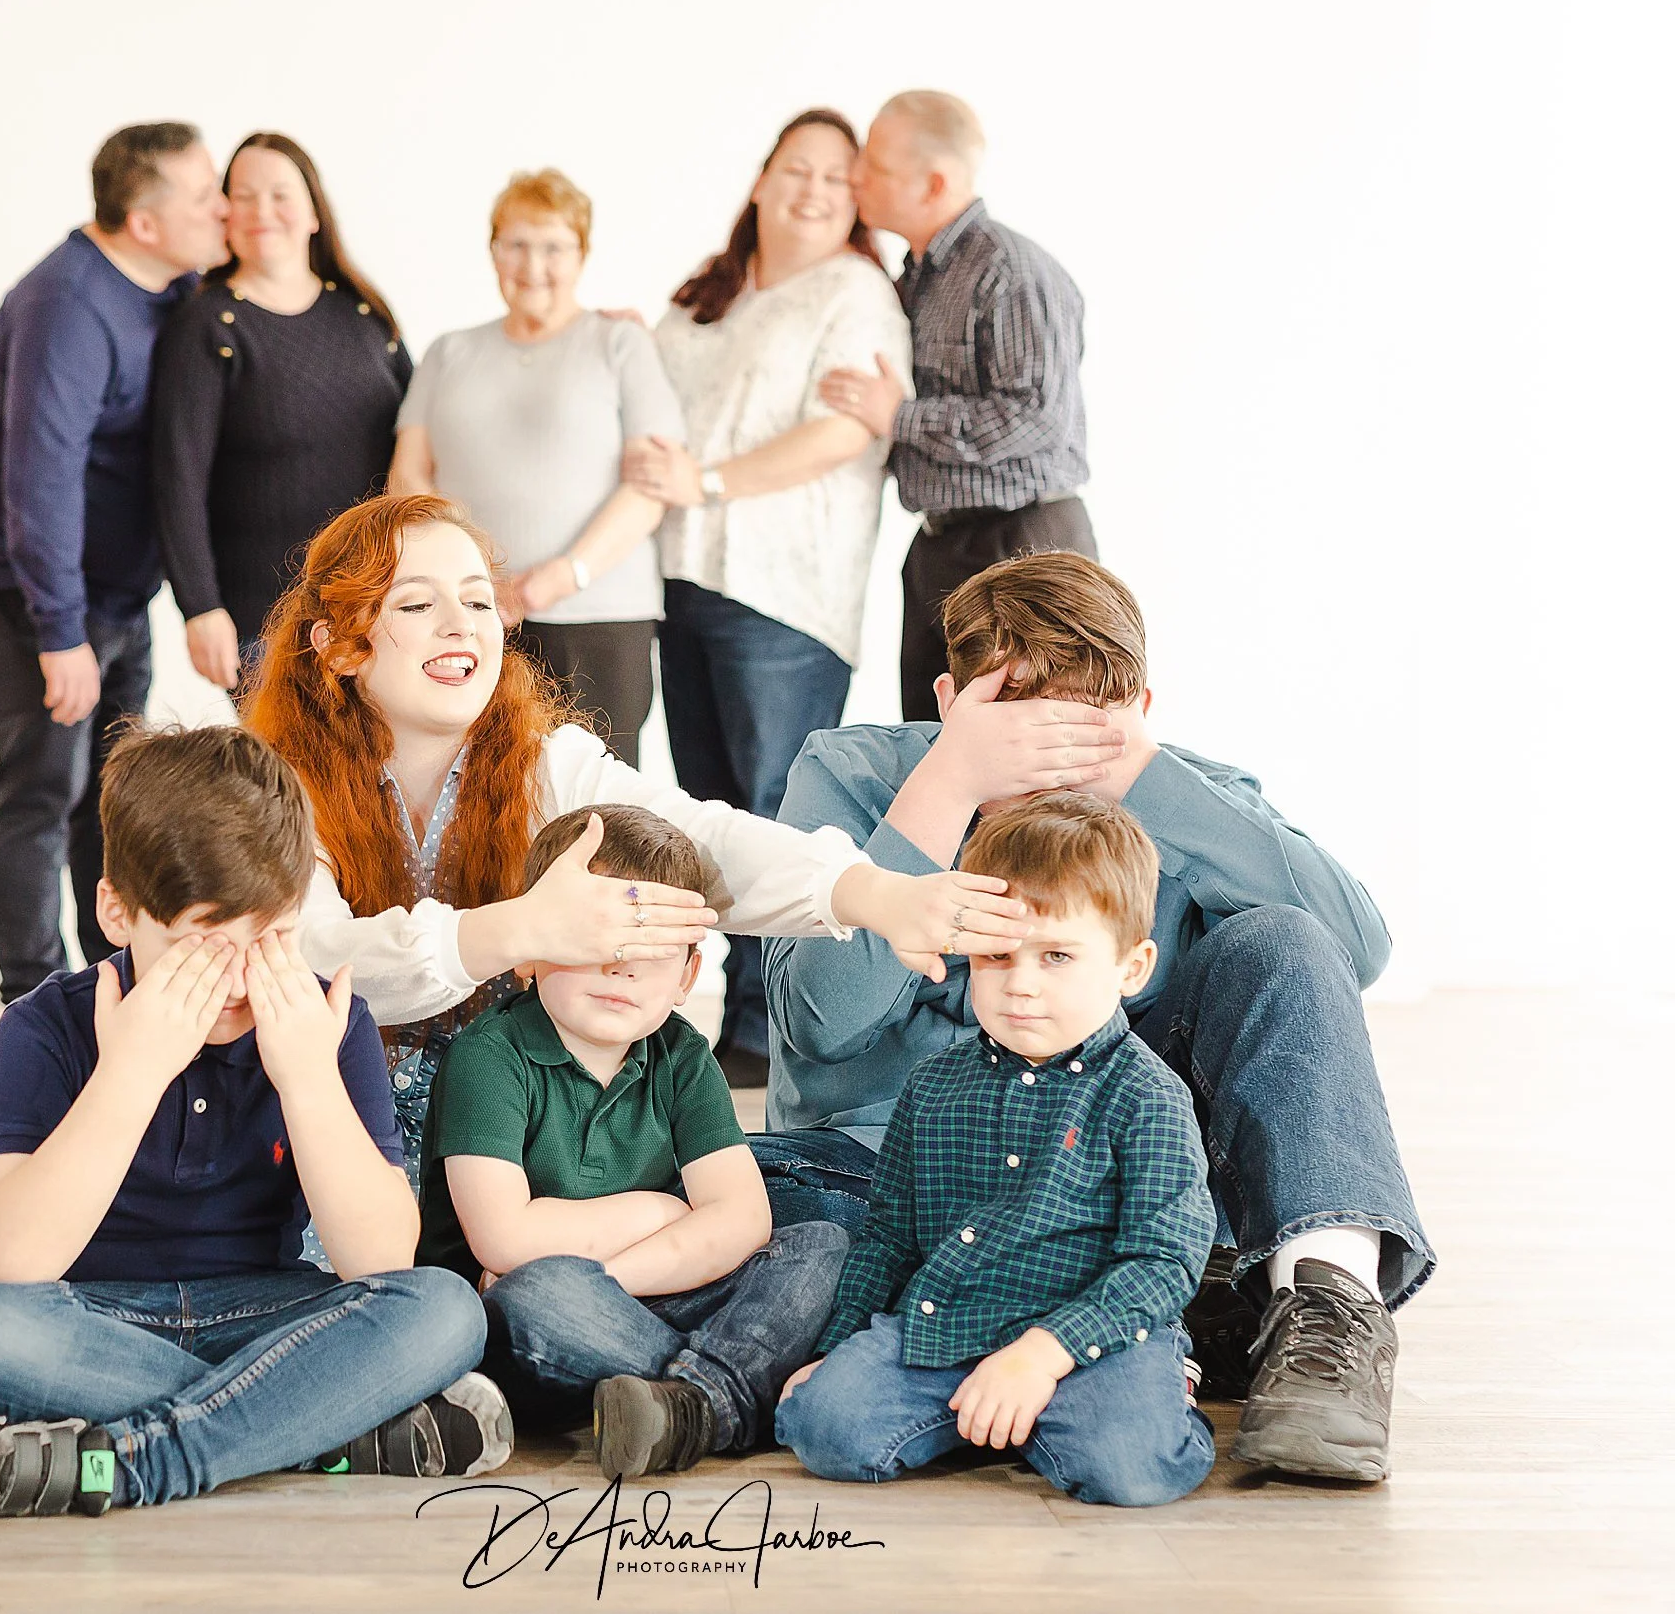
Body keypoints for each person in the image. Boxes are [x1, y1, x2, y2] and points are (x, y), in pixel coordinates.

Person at [0, 495, 1006, 1356]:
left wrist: (872, 893)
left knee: (760, 1186)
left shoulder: (546, 758)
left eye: (476, 601)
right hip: (317, 1096)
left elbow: (706, 840)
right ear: (343, 642)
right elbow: (323, 963)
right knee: (69, 1257)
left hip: (489, 1103)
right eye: (419, 606)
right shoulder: (266, 777)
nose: (464, 628)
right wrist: (517, 929)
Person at [755, 551, 1431, 1482]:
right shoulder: (853, 772)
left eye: (1082, 728)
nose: (1049, 759)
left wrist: (1146, 780)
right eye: (1017, 728)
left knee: (1285, 938)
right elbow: (816, 1021)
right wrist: (946, 787)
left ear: (1139, 714)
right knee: (770, 1221)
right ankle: (1144, 1325)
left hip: (1104, 1189)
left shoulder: (1180, 791)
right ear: (951, 701)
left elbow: (1351, 953)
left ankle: (1325, 1313)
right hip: (890, 1188)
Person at [0, 723, 508, 1519]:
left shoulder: (327, 1022)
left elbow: (380, 1257)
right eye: (204, 943)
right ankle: (323, 1426)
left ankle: (132, 1464)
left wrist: (306, 1078)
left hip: (270, 1313)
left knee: (444, 1306)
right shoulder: (43, 1027)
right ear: (118, 914)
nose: (240, 975)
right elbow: (15, 1260)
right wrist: (133, 1070)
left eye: (274, 937)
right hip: (97, 1320)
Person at [777, 792, 1215, 1505]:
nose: (1022, 984)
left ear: (1131, 968)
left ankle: (1151, 1386)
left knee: (1131, 1467)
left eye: (1057, 956)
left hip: (1088, 1342)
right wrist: (834, 1348)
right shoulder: (933, 1086)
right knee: (822, 1426)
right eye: (996, 955)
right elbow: (888, 1240)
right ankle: (987, 1416)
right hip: (946, 1326)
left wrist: (1043, 1356)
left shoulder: (1147, 1095)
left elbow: (1164, 1260)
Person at [419, 805, 848, 1479]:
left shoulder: (679, 1055)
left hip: (641, 1287)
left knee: (818, 1243)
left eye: (652, 951)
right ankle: (735, 1392)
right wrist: (662, 1213)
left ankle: (691, 1402)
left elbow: (743, 1217)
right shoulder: (492, 1055)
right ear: (531, 947)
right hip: (532, 1322)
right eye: (600, 941)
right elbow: (504, 1241)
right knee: (540, 1291)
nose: (623, 968)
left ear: (685, 974)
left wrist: (614, 1277)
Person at [623, 108, 913, 1087]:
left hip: (784, 594)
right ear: (760, 179)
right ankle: (732, 1023)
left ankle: (777, 1029)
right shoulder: (708, 294)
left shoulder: (855, 295)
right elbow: (650, 404)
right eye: (797, 170)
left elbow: (842, 437)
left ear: (857, 202)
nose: (813, 191)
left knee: (776, 808)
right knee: (707, 808)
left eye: (837, 181)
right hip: (684, 578)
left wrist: (707, 482)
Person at [0, 122, 228, 1003]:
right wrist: (59, 634)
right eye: (204, 194)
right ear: (144, 222)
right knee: (43, 793)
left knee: (111, 802)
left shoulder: (172, 289)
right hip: (29, 592)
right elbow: (41, 481)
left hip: (111, 594)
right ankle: (33, 1009)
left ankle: (114, 987)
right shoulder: (69, 304)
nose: (222, 208)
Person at [387, 170, 681, 766]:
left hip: (597, 615)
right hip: (471, 614)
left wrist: (562, 575)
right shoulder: (449, 352)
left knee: (598, 798)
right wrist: (475, 579)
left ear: (582, 255)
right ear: (492, 251)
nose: (533, 264)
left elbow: (650, 489)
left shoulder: (620, 344)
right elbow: (407, 477)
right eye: (515, 244)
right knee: (475, 785)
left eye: (554, 247)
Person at [818, 91, 1094, 723]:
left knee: (1032, 754)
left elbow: (1036, 416)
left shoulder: (1011, 270)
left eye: (875, 166)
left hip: (1023, 543)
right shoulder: (913, 275)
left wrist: (901, 418)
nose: (856, 176)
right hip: (940, 548)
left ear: (934, 182)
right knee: (934, 744)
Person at [152, 132, 411, 693]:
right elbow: (177, 480)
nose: (260, 211)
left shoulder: (364, 316)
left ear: (314, 212)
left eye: (279, 194)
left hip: (378, 613)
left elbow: (424, 439)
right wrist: (199, 607)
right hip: (264, 622)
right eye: (242, 196)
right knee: (293, 781)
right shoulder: (209, 328)